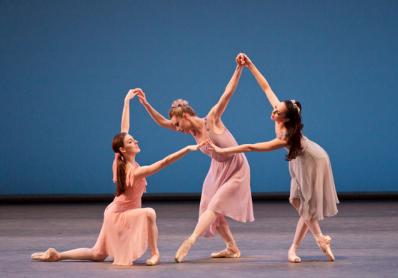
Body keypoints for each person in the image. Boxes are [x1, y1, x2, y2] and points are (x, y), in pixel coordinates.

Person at [31, 89, 203, 266]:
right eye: (130, 142)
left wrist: (126, 102)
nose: (135, 141)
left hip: (113, 212)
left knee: (97, 254)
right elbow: (163, 163)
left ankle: (58, 255)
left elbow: (124, 129)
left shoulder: (119, 159)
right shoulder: (132, 171)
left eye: (133, 139)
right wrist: (187, 149)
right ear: (123, 149)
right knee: (149, 213)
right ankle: (155, 254)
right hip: (121, 215)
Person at [209, 53, 339, 263]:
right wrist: (250, 65)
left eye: (277, 112)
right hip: (300, 160)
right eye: (275, 109)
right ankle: (318, 239)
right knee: (296, 201)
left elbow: (253, 147)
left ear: (286, 118)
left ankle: (302, 246)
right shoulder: (282, 114)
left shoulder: (286, 136)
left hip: (313, 160)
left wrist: (224, 151)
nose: (273, 112)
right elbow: (266, 87)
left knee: (305, 206)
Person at [136, 56, 254, 263]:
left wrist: (238, 68)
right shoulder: (189, 131)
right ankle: (232, 247)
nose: (177, 129)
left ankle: (190, 241)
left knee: (215, 206)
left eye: (178, 124)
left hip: (236, 167)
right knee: (209, 208)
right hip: (217, 168)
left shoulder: (211, 119)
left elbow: (227, 94)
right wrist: (146, 104)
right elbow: (163, 122)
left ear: (186, 117)